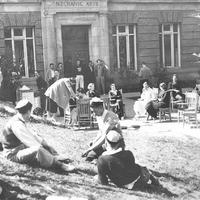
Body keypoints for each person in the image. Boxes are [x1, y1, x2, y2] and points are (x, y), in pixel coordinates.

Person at [1, 99, 75, 172]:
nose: (29, 115)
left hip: (19, 148)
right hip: (13, 154)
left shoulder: (19, 119)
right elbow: (30, 142)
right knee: (37, 149)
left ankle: (57, 156)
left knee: (39, 140)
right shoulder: (17, 124)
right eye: (29, 112)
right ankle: (59, 164)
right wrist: (43, 147)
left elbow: (32, 135)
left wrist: (46, 144)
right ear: (28, 111)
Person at [82, 97, 124, 162]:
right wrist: (94, 142)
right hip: (106, 143)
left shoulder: (111, 117)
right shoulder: (99, 116)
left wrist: (89, 149)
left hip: (115, 145)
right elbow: (101, 131)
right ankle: (99, 158)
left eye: (95, 111)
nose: (94, 114)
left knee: (104, 158)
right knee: (90, 157)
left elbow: (104, 136)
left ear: (100, 108)